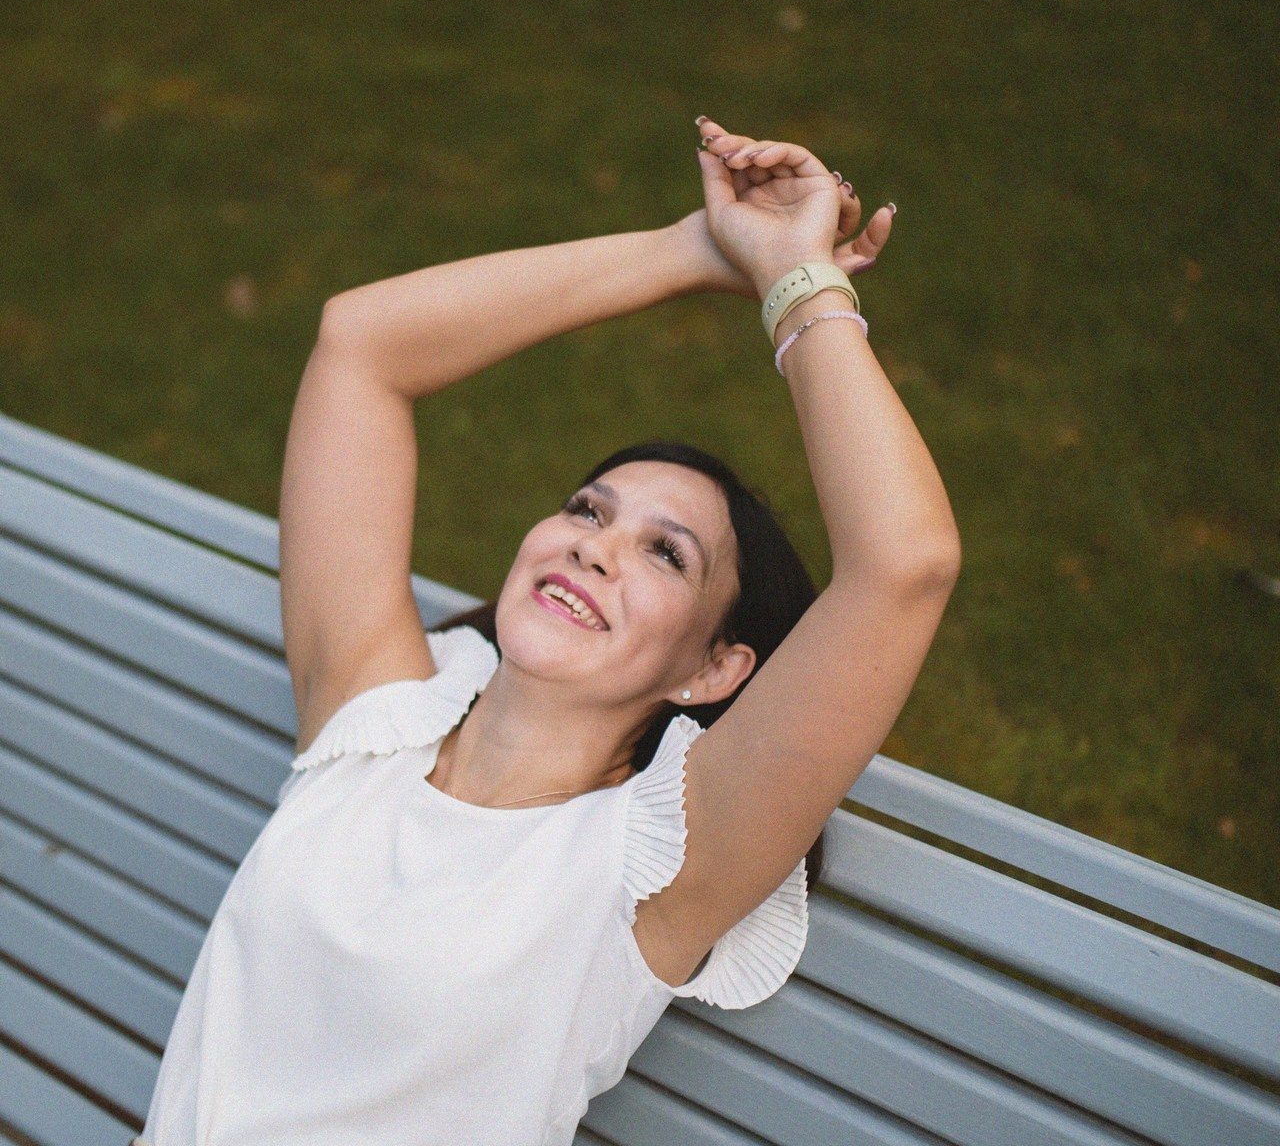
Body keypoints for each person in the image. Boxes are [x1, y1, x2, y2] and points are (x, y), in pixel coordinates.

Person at [136, 117, 961, 1145]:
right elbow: (362, 344)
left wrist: (797, 282)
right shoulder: (374, 725)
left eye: (665, 554)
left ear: (714, 669)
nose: (595, 546)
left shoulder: (652, 865)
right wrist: (692, 251)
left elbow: (903, 567)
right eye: (587, 508)